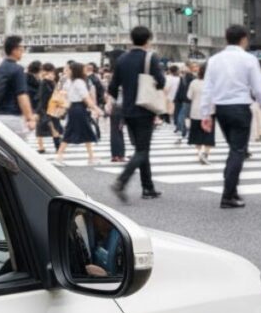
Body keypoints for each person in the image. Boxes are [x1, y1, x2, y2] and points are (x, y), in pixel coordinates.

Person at [199, 25, 261, 209]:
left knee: (234, 150)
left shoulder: (214, 60)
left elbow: (207, 88)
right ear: (244, 39)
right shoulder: (249, 59)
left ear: (226, 38)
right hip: (240, 107)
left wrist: (205, 113)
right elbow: (259, 88)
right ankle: (228, 194)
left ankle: (232, 189)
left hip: (221, 109)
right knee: (238, 151)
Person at [108, 26, 165, 202]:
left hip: (127, 110)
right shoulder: (150, 57)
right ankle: (121, 181)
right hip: (144, 109)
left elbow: (113, 86)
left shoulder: (122, 59)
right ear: (147, 40)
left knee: (141, 148)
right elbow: (161, 82)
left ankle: (148, 188)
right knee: (142, 149)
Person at [52, 63, 103, 167]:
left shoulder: (70, 81)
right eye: (84, 69)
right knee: (70, 133)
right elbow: (86, 97)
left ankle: (91, 157)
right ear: (79, 70)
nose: (86, 70)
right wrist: (96, 109)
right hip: (79, 108)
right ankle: (58, 157)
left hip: (74, 108)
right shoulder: (79, 82)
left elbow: (66, 96)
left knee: (86, 131)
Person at [0, 35, 36, 140]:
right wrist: (30, 118)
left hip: (0, 117)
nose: (23, 50)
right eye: (21, 48)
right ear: (14, 49)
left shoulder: (1, 68)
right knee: (20, 151)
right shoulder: (17, 69)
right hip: (14, 118)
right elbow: (22, 96)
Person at [187, 64, 214, 164]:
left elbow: (189, 96)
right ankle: (205, 154)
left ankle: (199, 153)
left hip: (195, 111)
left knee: (196, 134)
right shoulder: (212, 83)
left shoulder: (194, 82)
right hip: (209, 112)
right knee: (208, 134)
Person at [34, 62, 63, 154]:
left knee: (43, 128)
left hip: (45, 108)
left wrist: (40, 111)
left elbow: (42, 98)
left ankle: (42, 147)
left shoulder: (44, 82)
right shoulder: (52, 82)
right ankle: (56, 146)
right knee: (53, 127)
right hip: (52, 108)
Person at [174, 63, 196, 144]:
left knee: (183, 116)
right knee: (188, 116)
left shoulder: (185, 78)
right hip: (191, 100)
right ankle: (186, 130)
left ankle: (184, 131)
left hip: (186, 100)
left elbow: (181, 90)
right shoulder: (193, 78)